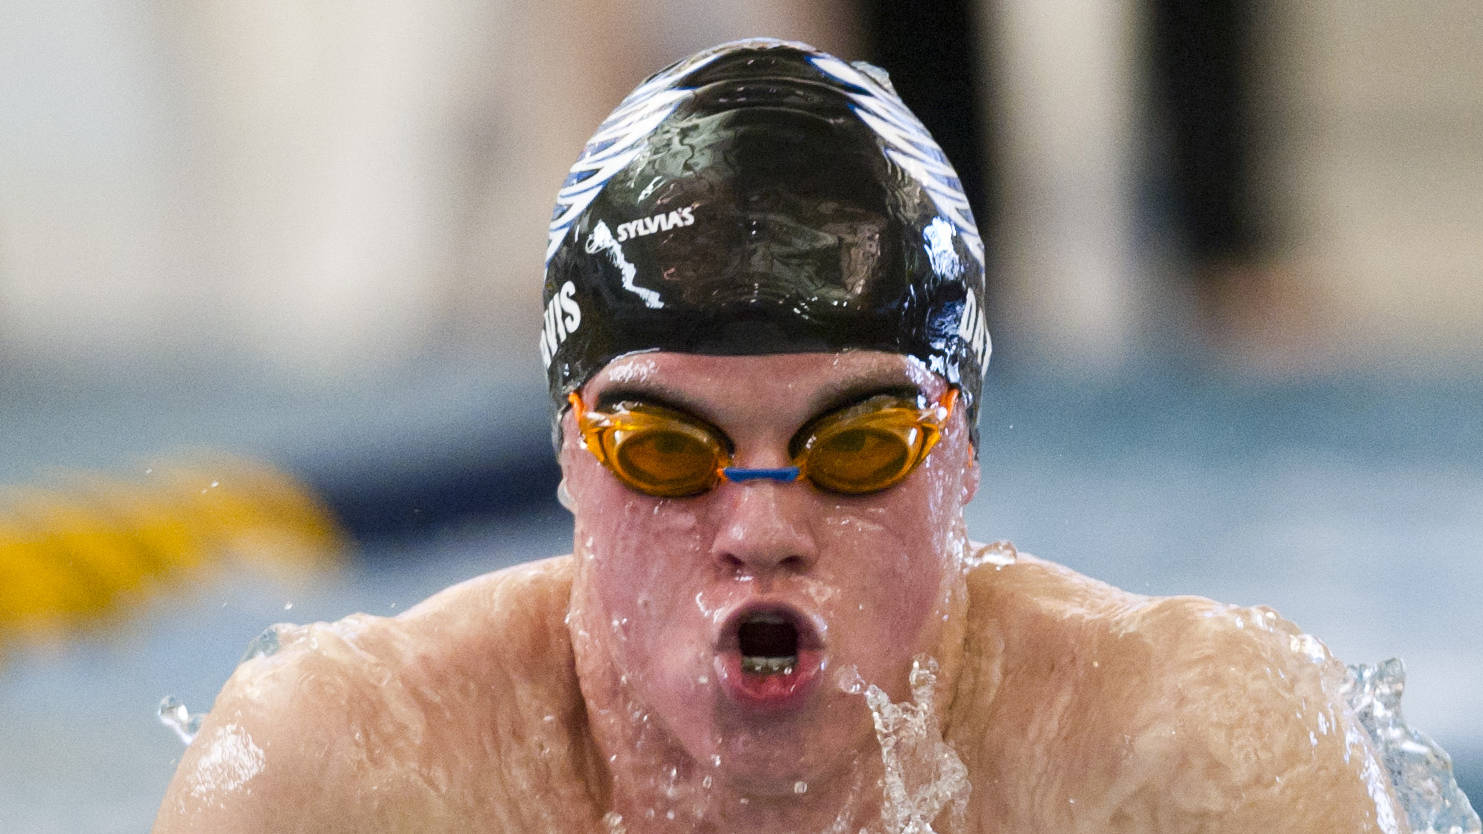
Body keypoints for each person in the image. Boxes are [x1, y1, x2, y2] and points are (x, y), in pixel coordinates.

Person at [155, 39, 1410, 833]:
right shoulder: (348, 779)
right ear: (568, 461)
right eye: (665, 452)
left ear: (962, 460)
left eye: (859, 449)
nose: (759, 529)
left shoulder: (1188, 763)